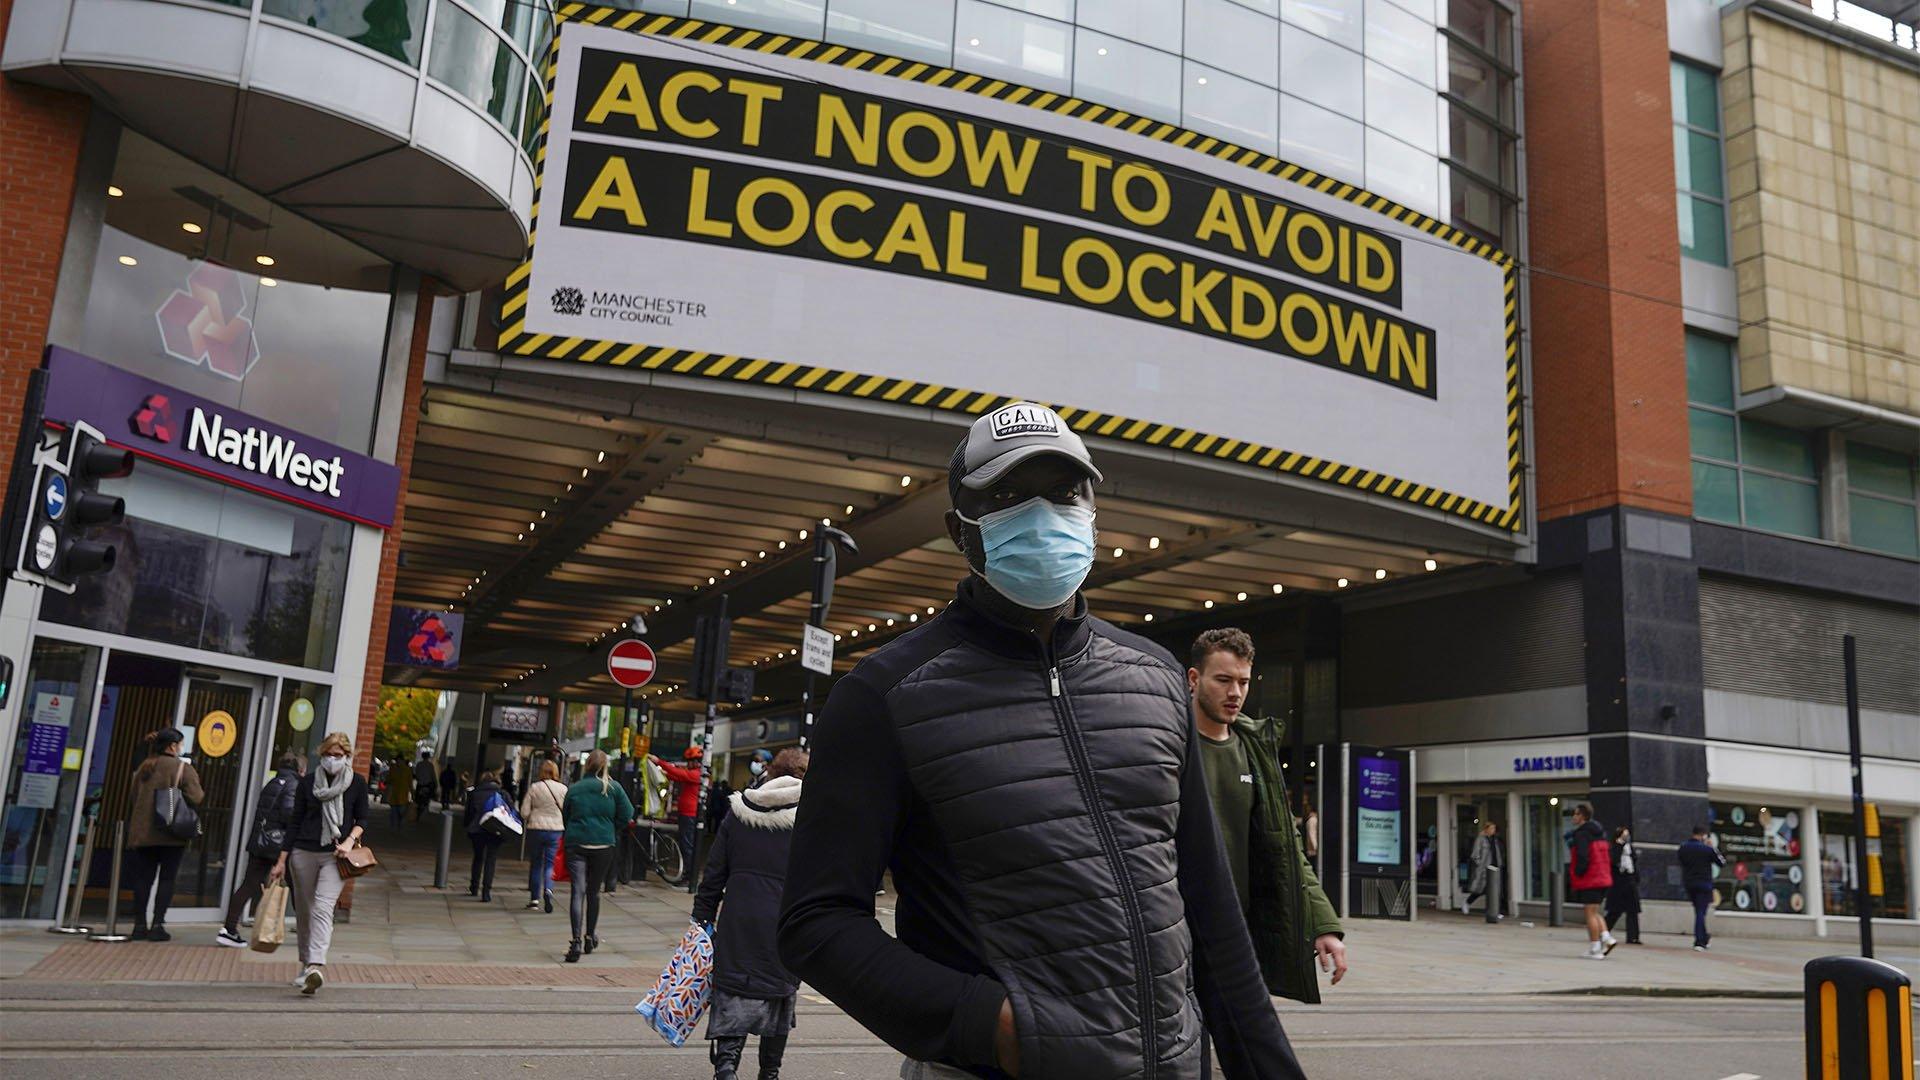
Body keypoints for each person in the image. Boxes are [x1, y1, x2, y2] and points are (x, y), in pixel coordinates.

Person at [779, 403, 1303, 1079]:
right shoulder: (885, 696)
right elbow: (816, 922)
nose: (1043, 513)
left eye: (1064, 492)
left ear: (1092, 508)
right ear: (958, 530)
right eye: (1006, 496)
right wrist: (991, 1028)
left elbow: (1208, 906)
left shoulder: (1152, 679)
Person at [1186, 628, 1346, 1004]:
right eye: (1223, 680)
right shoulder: (1169, 744)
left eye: (1243, 682)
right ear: (1194, 679)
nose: (1235, 693)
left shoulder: (1254, 751)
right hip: (1176, 927)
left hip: (1239, 931)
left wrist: (1323, 925)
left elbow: (1285, 847)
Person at [694, 748, 809, 1080]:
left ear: (770, 774)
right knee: (779, 994)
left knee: (734, 989)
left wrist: (701, 918)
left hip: (738, 919)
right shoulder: (812, 821)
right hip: (784, 923)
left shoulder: (738, 813)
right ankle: (769, 1071)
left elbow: (714, 874)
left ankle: (727, 1065)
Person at [270, 732, 368, 995]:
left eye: (338, 755)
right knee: (304, 910)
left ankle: (315, 966)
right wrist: (282, 859)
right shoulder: (309, 783)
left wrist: (349, 842)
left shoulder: (356, 783)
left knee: (323, 908)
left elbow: (362, 819)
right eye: (328, 754)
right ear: (320, 754)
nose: (332, 760)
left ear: (347, 756)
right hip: (303, 853)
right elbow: (295, 821)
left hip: (336, 855)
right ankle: (304, 964)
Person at [124, 729, 204, 942]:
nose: (181, 748)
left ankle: (139, 925)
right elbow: (197, 796)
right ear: (172, 746)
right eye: (180, 744)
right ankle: (158, 924)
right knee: (167, 879)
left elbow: (133, 796)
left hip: (142, 833)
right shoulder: (182, 768)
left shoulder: (145, 767)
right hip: (171, 834)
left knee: (143, 879)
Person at [218, 751, 304, 947]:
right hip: (279, 845)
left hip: (261, 842)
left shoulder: (273, 783)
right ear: (299, 769)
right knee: (298, 887)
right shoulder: (293, 785)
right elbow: (289, 814)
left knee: (248, 884)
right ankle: (307, 930)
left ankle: (229, 928)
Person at [562, 749, 635, 963]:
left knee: (578, 890)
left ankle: (574, 940)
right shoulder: (613, 788)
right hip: (603, 844)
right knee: (594, 892)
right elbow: (627, 814)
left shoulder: (575, 789)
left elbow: (566, 815)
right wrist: (611, 830)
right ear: (605, 766)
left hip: (576, 843)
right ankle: (588, 937)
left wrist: (575, 831)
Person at [1566, 803, 1617, 959]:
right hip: (1603, 878)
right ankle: (1607, 938)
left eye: (1575, 814)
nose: (1573, 817)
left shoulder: (1582, 834)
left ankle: (1595, 947)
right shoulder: (1600, 833)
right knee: (1595, 912)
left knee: (1589, 914)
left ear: (1582, 816)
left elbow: (1582, 856)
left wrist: (1578, 873)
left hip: (1590, 879)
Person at [651, 747, 704, 885]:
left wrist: (659, 762)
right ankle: (689, 875)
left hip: (689, 815)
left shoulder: (697, 775)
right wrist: (661, 772)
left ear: (696, 762)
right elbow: (675, 776)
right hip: (686, 814)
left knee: (687, 845)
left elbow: (677, 772)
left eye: (690, 761)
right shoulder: (694, 774)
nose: (688, 764)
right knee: (685, 844)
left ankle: (689, 876)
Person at [520, 759, 568, 912]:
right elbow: (566, 810)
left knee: (536, 864)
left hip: (536, 829)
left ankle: (534, 900)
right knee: (549, 864)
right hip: (555, 830)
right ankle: (548, 889)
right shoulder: (563, 789)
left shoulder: (535, 787)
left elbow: (524, 812)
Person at [463, 769, 511, 902]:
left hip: (477, 830)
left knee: (478, 858)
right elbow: (510, 811)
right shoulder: (502, 793)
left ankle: (474, 886)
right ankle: (486, 891)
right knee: (491, 859)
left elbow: (469, 813)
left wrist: (467, 826)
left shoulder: (474, 794)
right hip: (494, 830)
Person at [1677, 825, 1725, 951]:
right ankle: (1699, 941)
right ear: (1703, 835)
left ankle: (1704, 937)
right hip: (1704, 884)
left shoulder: (1684, 847)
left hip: (1689, 883)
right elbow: (1721, 862)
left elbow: (1681, 861)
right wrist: (1712, 847)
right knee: (1700, 912)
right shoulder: (1706, 849)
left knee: (1698, 911)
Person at [1605, 825, 1643, 945]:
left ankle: (1633, 936)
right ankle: (1603, 931)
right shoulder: (1615, 847)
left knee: (1632, 910)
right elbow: (1614, 860)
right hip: (1618, 882)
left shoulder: (1629, 848)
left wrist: (1636, 877)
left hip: (1629, 880)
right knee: (1615, 910)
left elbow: (1634, 862)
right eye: (1624, 835)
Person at [1464, 821, 1504, 919]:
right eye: (1491, 828)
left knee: (1494, 891)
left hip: (1495, 867)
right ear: (1486, 829)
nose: (1493, 831)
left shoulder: (1495, 840)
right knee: (1480, 890)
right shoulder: (1481, 839)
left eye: (1494, 829)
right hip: (1484, 868)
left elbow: (1497, 852)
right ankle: (1467, 902)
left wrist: (1500, 863)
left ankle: (1493, 911)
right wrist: (1480, 864)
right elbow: (1475, 854)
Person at [386, 753, 412, 827]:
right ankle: (396, 827)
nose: (398, 762)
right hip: (396, 796)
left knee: (399, 813)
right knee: (396, 814)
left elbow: (410, 783)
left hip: (401, 796)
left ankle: (397, 826)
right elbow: (389, 779)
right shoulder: (394, 769)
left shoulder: (406, 770)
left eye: (399, 761)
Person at [412, 750, 436, 822]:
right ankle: (422, 813)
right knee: (426, 800)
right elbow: (433, 776)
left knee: (418, 800)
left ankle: (418, 813)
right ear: (428, 757)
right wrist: (435, 784)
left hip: (420, 785)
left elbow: (416, 774)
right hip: (427, 785)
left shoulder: (419, 764)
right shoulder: (430, 765)